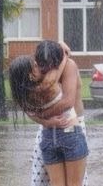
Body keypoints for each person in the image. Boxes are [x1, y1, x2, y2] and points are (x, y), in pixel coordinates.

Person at [9, 40, 89, 186]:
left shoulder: (24, 90)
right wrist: (63, 55)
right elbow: (64, 100)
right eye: (38, 65)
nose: (43, 70)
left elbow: (67, 102)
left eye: (48, 66)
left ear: (54, 62)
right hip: (65, 128)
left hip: (54, 129)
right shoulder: (45, 82)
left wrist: (43, 118)